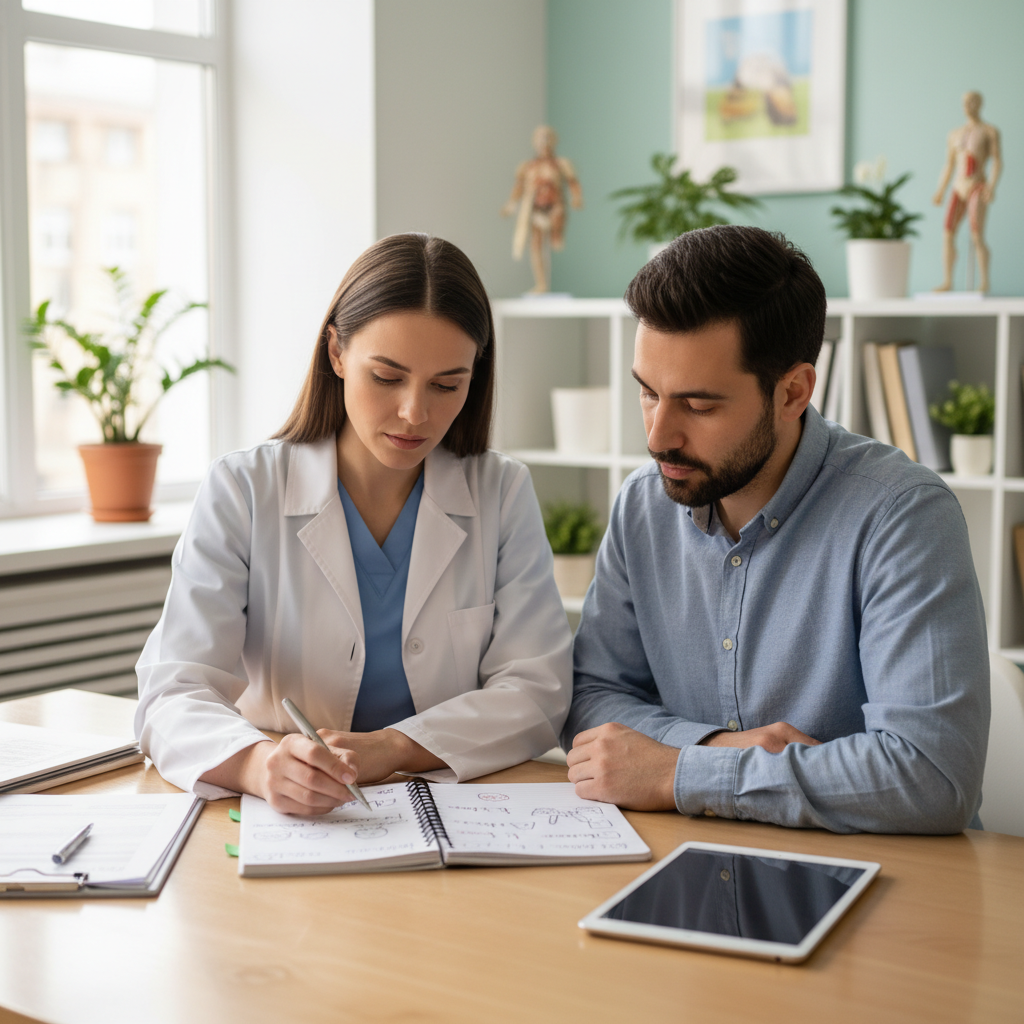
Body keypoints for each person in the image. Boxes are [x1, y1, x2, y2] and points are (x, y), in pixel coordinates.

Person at [562, 225, 990, 835]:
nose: (658, 437)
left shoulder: (902, 516)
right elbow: (591, 698)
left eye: (700, 405)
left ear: (792, 392)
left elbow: (930, 775)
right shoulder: (642, 505)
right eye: (648, 393)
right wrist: (713, 747)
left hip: (896, 881)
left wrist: (677, 772)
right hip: (695, 856)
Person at [136, 233, 573, 814]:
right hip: (287, 814)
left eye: (447, 385)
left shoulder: (501, 491)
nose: (415, 413)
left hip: (455, 807)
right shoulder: (243, 490)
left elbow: (537, 690)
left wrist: (393, 748)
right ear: (337, 353)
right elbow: (173, 690)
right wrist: (257, 764)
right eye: (387, 377)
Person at [933, 91, 1001, 294]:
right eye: (965, 101)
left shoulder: (989, 132)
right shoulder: (954, 134)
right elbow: (949, 164)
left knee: (977, 234)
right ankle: (947, 280)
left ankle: (984, 282)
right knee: (947, 233)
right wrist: (941, 190)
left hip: (977, 185)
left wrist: (991, 185)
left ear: (980, 103)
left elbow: (997, 161)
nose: (967, 105)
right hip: (958, 186)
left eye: (972, 101)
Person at [501, 125, 583, 294]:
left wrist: (576, 198)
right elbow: (518, 188)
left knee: (555, 242)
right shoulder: (528, 167)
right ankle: (541, 284)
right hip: (536, 210)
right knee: (536, 245)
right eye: (540, 138)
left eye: (547, 137)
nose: (544, 142)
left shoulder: (561, 164)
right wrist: (511, 205)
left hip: (555, 207)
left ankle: (552, 282)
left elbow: (573, 183)